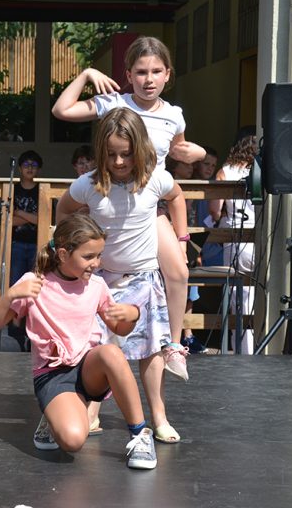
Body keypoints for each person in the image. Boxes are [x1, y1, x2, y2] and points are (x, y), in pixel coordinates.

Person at [52, 35, 207, 381]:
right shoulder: (114, 103)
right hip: (110, 205)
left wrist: (196, 153)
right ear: (128, 75)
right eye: (140, 72)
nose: (148, 79)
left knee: (179, 272)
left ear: (168, 74)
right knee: (90, 274)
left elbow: (178, 151)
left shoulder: (173, 116)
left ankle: (174, 344)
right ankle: (77, 348)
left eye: (156, 71)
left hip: (147, 207)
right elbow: (62, 110)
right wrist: (87, 74)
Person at [0, 213, 158, 470]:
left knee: (111, 353)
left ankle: (140, 435)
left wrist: (133, 315)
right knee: (73, 440)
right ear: (63, 254)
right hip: (52, 374)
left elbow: (119, 328)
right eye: (88, 256)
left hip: (88, 369)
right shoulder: (35, 283)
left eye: (99, 256)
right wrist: (9, 296)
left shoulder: (96, 286)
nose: (96, 263)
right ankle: (53, 417)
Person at [56, 107, 186, 445]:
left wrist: (182, 238)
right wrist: (70, 244)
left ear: (139, 149)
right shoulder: (89, 184)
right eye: (111, 154)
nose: (118, 161)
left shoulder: (155, 179)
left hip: (143, 278)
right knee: (99, 347)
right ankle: (92, 410)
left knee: (150, 351)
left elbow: (176, 197)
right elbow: (64, 208)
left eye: (126, 154)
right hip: (102, 282)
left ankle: (159, 415)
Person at [208, 134, 258, 354]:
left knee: (237, 297)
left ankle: (241, 350)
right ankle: (256, 348)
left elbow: (214, 209)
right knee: (255, 296)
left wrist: (219, 219)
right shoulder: (261, 172)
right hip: (257, 237)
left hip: (234, 238)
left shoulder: (225, 171)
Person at [167, 159, 208, 354]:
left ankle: (188, 334)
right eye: (186, 164)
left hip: (189, 240)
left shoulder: (193, 187)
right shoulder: (166, 185)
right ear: (175, 165)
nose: (191, 167)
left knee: (190, 289)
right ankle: (170, 336)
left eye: (192, 165)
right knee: (170, 287)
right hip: (169, 240)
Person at [10, 150, 42, 286]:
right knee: (16, 282)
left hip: (38, 243)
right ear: (19, 168)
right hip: (16, 243)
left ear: (39, 169)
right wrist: (33, 217)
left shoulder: (42, 190)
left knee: (35, 282)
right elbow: (10, 221)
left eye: (34, 165)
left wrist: (20, 212)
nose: (30, 168)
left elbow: (43, 220)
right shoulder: (12, 189)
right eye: (26, 165)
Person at [193, 146, 225, 267]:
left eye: (213, 165)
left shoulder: (215, 187)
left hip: (214, 249)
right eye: (206, 164)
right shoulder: (189, 185)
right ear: (196, 164)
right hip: (193, 247)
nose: (210, 168)